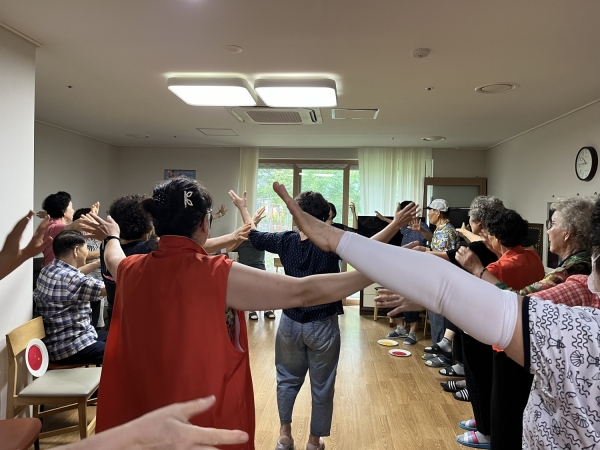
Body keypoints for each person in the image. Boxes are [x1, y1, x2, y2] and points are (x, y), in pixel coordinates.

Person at [273, 181, 600, 450]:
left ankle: (481, 418)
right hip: (513, 363)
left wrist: (468, 274)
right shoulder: (565, 279)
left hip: (507, 351)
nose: (548, 230)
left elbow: (511, 308)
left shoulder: (571, 285)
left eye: (554, 224)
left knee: (500, 403)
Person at [83, 178, 379, 450]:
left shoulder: (131, 269)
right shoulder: (218, 274)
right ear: (204, 223)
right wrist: (382, 269)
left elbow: (113, 257)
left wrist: (112, 236)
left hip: (144, 418)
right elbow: (304, 292)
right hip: (202, 417)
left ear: (157, 224)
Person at [229, 189, 417, 450]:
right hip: (323, 325)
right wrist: (395, 224)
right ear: (323, 216)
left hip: (290, 324)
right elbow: (370, 247)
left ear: (297, 216)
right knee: (322, 386)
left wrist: (243, 208)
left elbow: (253, 234)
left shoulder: (285, 240)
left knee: (286, 380)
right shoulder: (331, 242)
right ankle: (313, 441)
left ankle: (284, 436)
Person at [456, 196, 595, 449]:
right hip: (554, 359)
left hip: (523, 349)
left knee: (505, 418)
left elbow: (517, 302)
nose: (548, 230)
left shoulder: (572, 274)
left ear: (567, 233)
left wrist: (478, 269)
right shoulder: (532, 256)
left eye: (553, 224)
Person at [34, 230, 107, 366]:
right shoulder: (72, 279)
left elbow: (73, 276)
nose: (88, 252)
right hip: (71, 347)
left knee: (116, 337)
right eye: (86, 248)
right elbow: (110, 289)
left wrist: (98, 263)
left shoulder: (48, 269)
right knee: (122, 350)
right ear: (76, 250)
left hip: (55, 342)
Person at [379, 200, 432, 345]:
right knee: (393, 296)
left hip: (415, 269)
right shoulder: (404, 226)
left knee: (409, 299)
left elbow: (431, 238)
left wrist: (420, 230)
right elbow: (394, 223)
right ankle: (400, 328)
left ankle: (412, 333)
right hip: (400, 267)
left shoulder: (421, 224)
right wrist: (385, 217)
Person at [232, 205, 275, 321]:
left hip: (260, 268)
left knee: (265, 286)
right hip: (245, 270)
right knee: (249, 288)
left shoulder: (260, 240)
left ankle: (267, 309)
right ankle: (252, 310)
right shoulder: (240, 242)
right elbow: (227, 247)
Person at [40, 191, 98, 266]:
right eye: (72, 207)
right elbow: (77, 225)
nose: (73, 210)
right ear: (63, 211)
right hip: (56, 269)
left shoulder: (50, 224)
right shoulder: (55, 226)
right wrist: (91, 215)